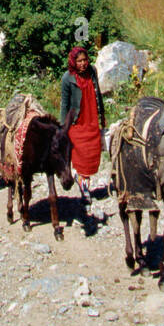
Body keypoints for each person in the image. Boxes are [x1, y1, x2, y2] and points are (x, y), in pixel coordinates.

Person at [60, 44, 105, 206]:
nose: (83, 63)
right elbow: (64, 103)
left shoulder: (92, 71)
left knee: (93, 150)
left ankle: (84, 181)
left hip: (91, 116)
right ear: (73, 62)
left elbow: (98, 92)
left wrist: (102, 115)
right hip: (77, 120)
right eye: (79, 61)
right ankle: (83, 184)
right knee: (82, 151)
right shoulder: (67, 78)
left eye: (85, 60)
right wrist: (62, 126)